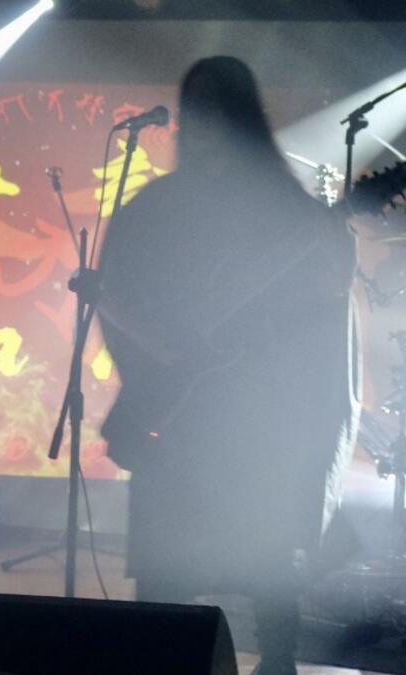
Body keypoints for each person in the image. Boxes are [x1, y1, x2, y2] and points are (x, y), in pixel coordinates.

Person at [97, 56, 360, 675]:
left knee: (262, 578)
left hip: (250, 426)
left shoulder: (285, 213)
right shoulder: (162, 206)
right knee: (192, 580)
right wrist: (160, 354)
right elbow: (113, 295)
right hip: (193, 420)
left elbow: (320, 313)